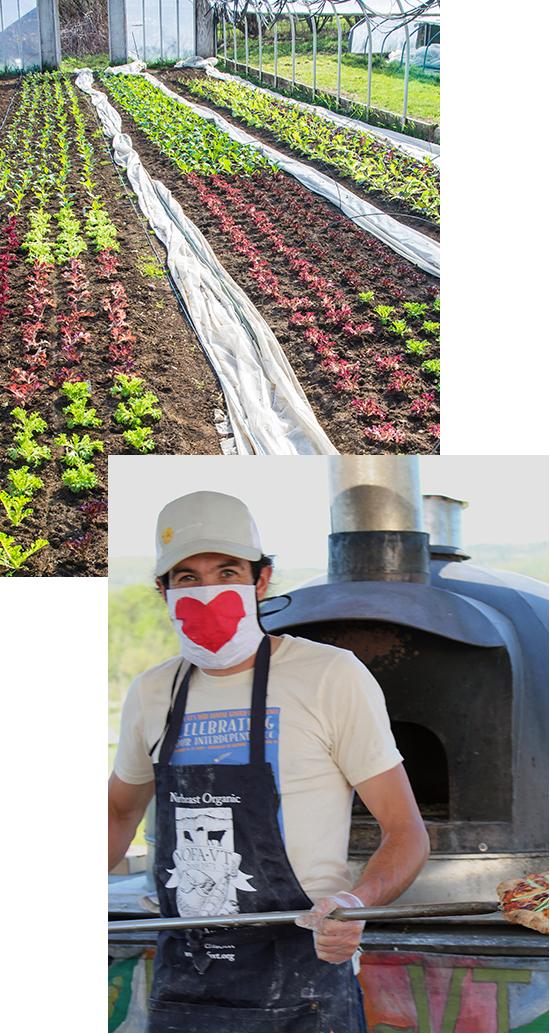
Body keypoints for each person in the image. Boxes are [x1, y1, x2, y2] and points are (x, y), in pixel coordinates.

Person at [109, 490, 430, 1033]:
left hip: (305, 983)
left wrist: (356, 903)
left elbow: (406, 833)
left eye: (226, 571)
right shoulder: (152, 691)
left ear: (261, 579)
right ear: (162, 590)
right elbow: (117, 814)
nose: (208, 590)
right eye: (187, 577)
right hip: (187, 985)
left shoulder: (330, 676)